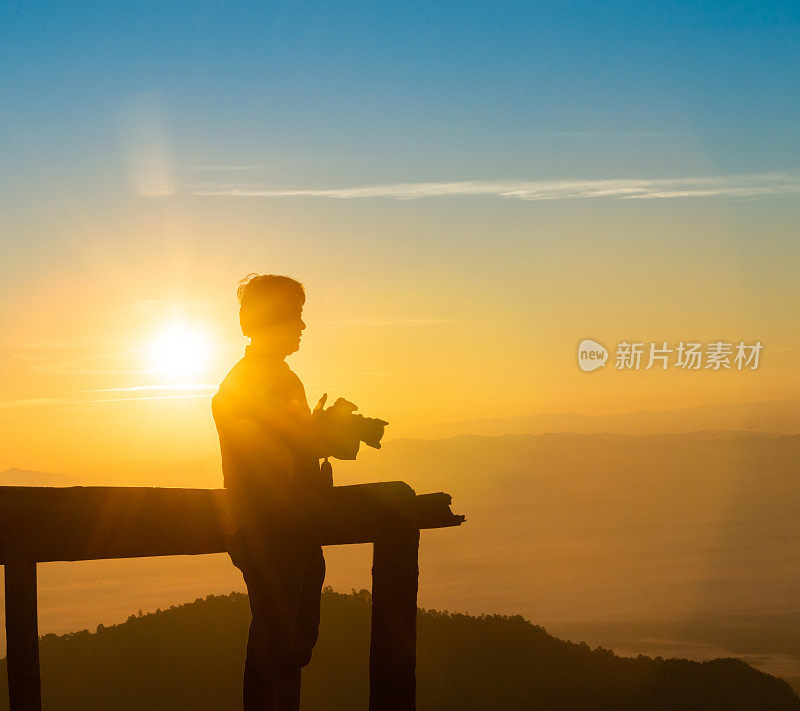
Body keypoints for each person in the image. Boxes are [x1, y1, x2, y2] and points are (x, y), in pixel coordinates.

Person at [212, 274, 343, 710]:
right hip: (273, 535)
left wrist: (319, 435)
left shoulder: (276, 378)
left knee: (287, 648)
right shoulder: (249, 383)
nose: (302, 326)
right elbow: (265, 464)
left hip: (285, 536)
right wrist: (318, 438)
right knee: (277, 649)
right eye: (295, 316)